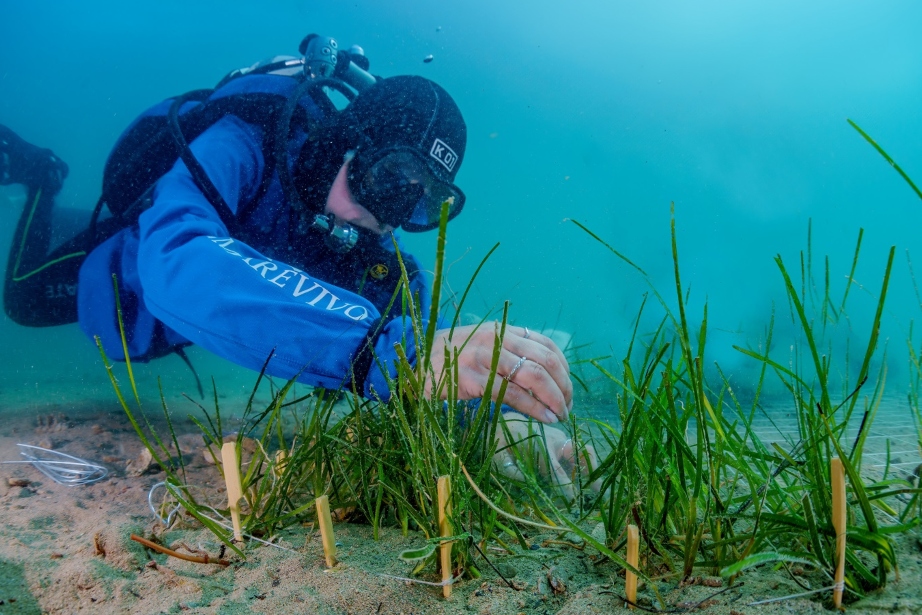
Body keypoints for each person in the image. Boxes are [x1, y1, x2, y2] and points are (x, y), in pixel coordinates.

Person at [2, 38, 589, 493]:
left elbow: (428, 382)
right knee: (24, 302)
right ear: (342, 142)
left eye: (418, 205)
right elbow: (177, 262)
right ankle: (43, 180)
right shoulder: (242, 142)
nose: (383, 220)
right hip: (123, 280)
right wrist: (394, 356)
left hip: (189, 298)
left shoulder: (380, 262)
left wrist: (499, 429)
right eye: (386, 182)